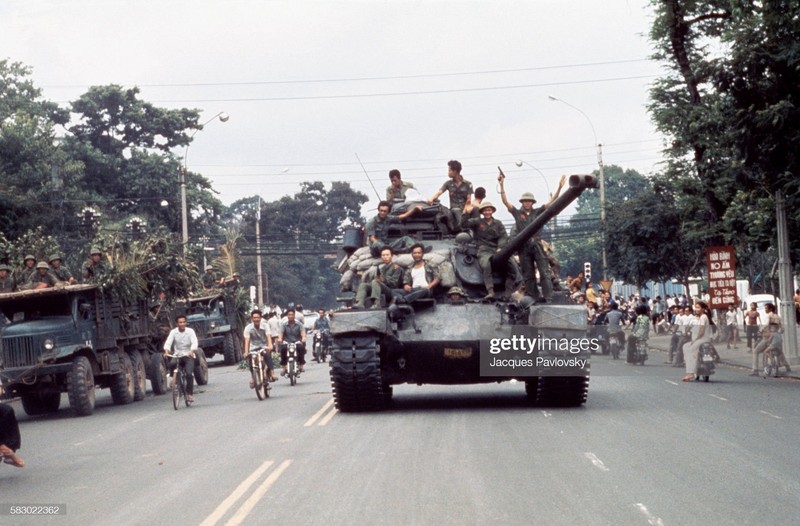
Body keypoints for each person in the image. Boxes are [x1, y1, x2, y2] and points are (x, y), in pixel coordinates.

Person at [460, 201, 507, 300]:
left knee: (510, 267)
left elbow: (503, 236)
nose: (487, 212)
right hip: (483, 249)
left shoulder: (498, 223)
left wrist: (500, 247)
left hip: (496, 249)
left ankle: (508, 292)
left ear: (492, 211)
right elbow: (463, 225)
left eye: (489, 210)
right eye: (485, 210)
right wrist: (466, 213)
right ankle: (490, 291)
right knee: (486, 265)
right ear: (482, 212)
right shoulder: (477, 222)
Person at [427, 160, 473, 232]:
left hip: (465, 207)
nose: (448, 172)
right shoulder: (448, 183)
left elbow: (469, 199)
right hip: (454, 208)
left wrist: (465, 211)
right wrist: (431, 199)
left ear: (455, 171)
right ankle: (462, 230)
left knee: (475, 210)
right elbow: (439, 193)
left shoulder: (468, 184)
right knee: (456, 211)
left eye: (450, 170)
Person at [162, 315, 198, 403]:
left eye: (183, 322)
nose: (182, 324)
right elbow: (168, 342)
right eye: (180, 322)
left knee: (189, 374)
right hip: (178, 354)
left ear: (186, 323)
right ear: (177, 324)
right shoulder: (173, 332)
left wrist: (192, 351)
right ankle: (174, 379)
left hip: (188, 355)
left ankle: (189, 394)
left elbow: (194, 342)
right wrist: (166, 351)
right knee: (172, 364)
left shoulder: (190, 331)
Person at [682, 301, 714, 382]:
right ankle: (692, 369)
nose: (696, 309)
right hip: (700, 339)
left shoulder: (703, 317)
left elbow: (701, 331)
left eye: (698, 307)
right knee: (685, 346)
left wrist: (695, 340)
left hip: (703, 339)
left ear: (703, 309)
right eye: (696, 307)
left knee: (689, 349)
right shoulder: (698, 318)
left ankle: (691, 373)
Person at [243, 309, 277, 385]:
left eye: (258, 317)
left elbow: (268, 336)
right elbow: (247, 340)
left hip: (264, 346)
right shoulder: (248, 328)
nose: (256, 319)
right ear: (251, 319)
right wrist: (246, 352)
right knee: (251, 359)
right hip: (253, 347)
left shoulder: (265, 326)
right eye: (254, 318)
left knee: (267, 355)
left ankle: (272, 373)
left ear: (260, 318)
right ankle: (252, 376)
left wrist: (270, 346)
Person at [278, 308, 306, 375]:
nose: (291, 316)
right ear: (287, 316)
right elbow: (280, 333)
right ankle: (283, 366)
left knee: (301, 348)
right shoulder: (283, 325)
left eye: (292, 315)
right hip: (286, 342)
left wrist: (303, 338)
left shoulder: (299, 324)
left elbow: (303, 333)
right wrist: (280, 339)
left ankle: (301, 364)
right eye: (289, 315)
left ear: (294, 315)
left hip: (297, 342)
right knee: (283, 349)